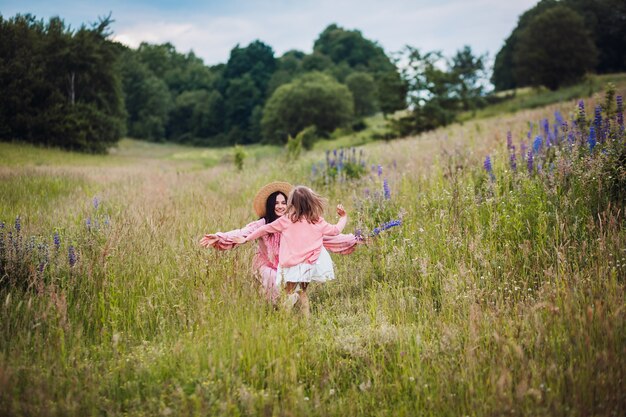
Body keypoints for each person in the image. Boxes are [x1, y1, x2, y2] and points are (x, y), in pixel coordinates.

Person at [199, 181, 361, 305]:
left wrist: (355, 238)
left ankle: (291, 311)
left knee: (296, 290)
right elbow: (243, 232)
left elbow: (328, 237)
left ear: (290, 204)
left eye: (284, 202)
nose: (280, 206)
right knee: (276, 281)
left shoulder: (298, 223)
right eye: (276, 203)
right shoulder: (264, 223)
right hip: (269, 267)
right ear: (271, 206)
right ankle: (281, 308)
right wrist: (220, 237)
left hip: (290, 266)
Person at [238, 185, 347, 316]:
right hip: (307, 265)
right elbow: (335, 230)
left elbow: (264, 229)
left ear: (292, 203)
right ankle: (305, 320)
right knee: (303, 292)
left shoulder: (287, 220)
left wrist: (246, 239)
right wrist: (343, 217)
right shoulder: (317, 221)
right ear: (310, 202)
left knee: (287, 293)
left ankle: (284, 317)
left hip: (290, 266)